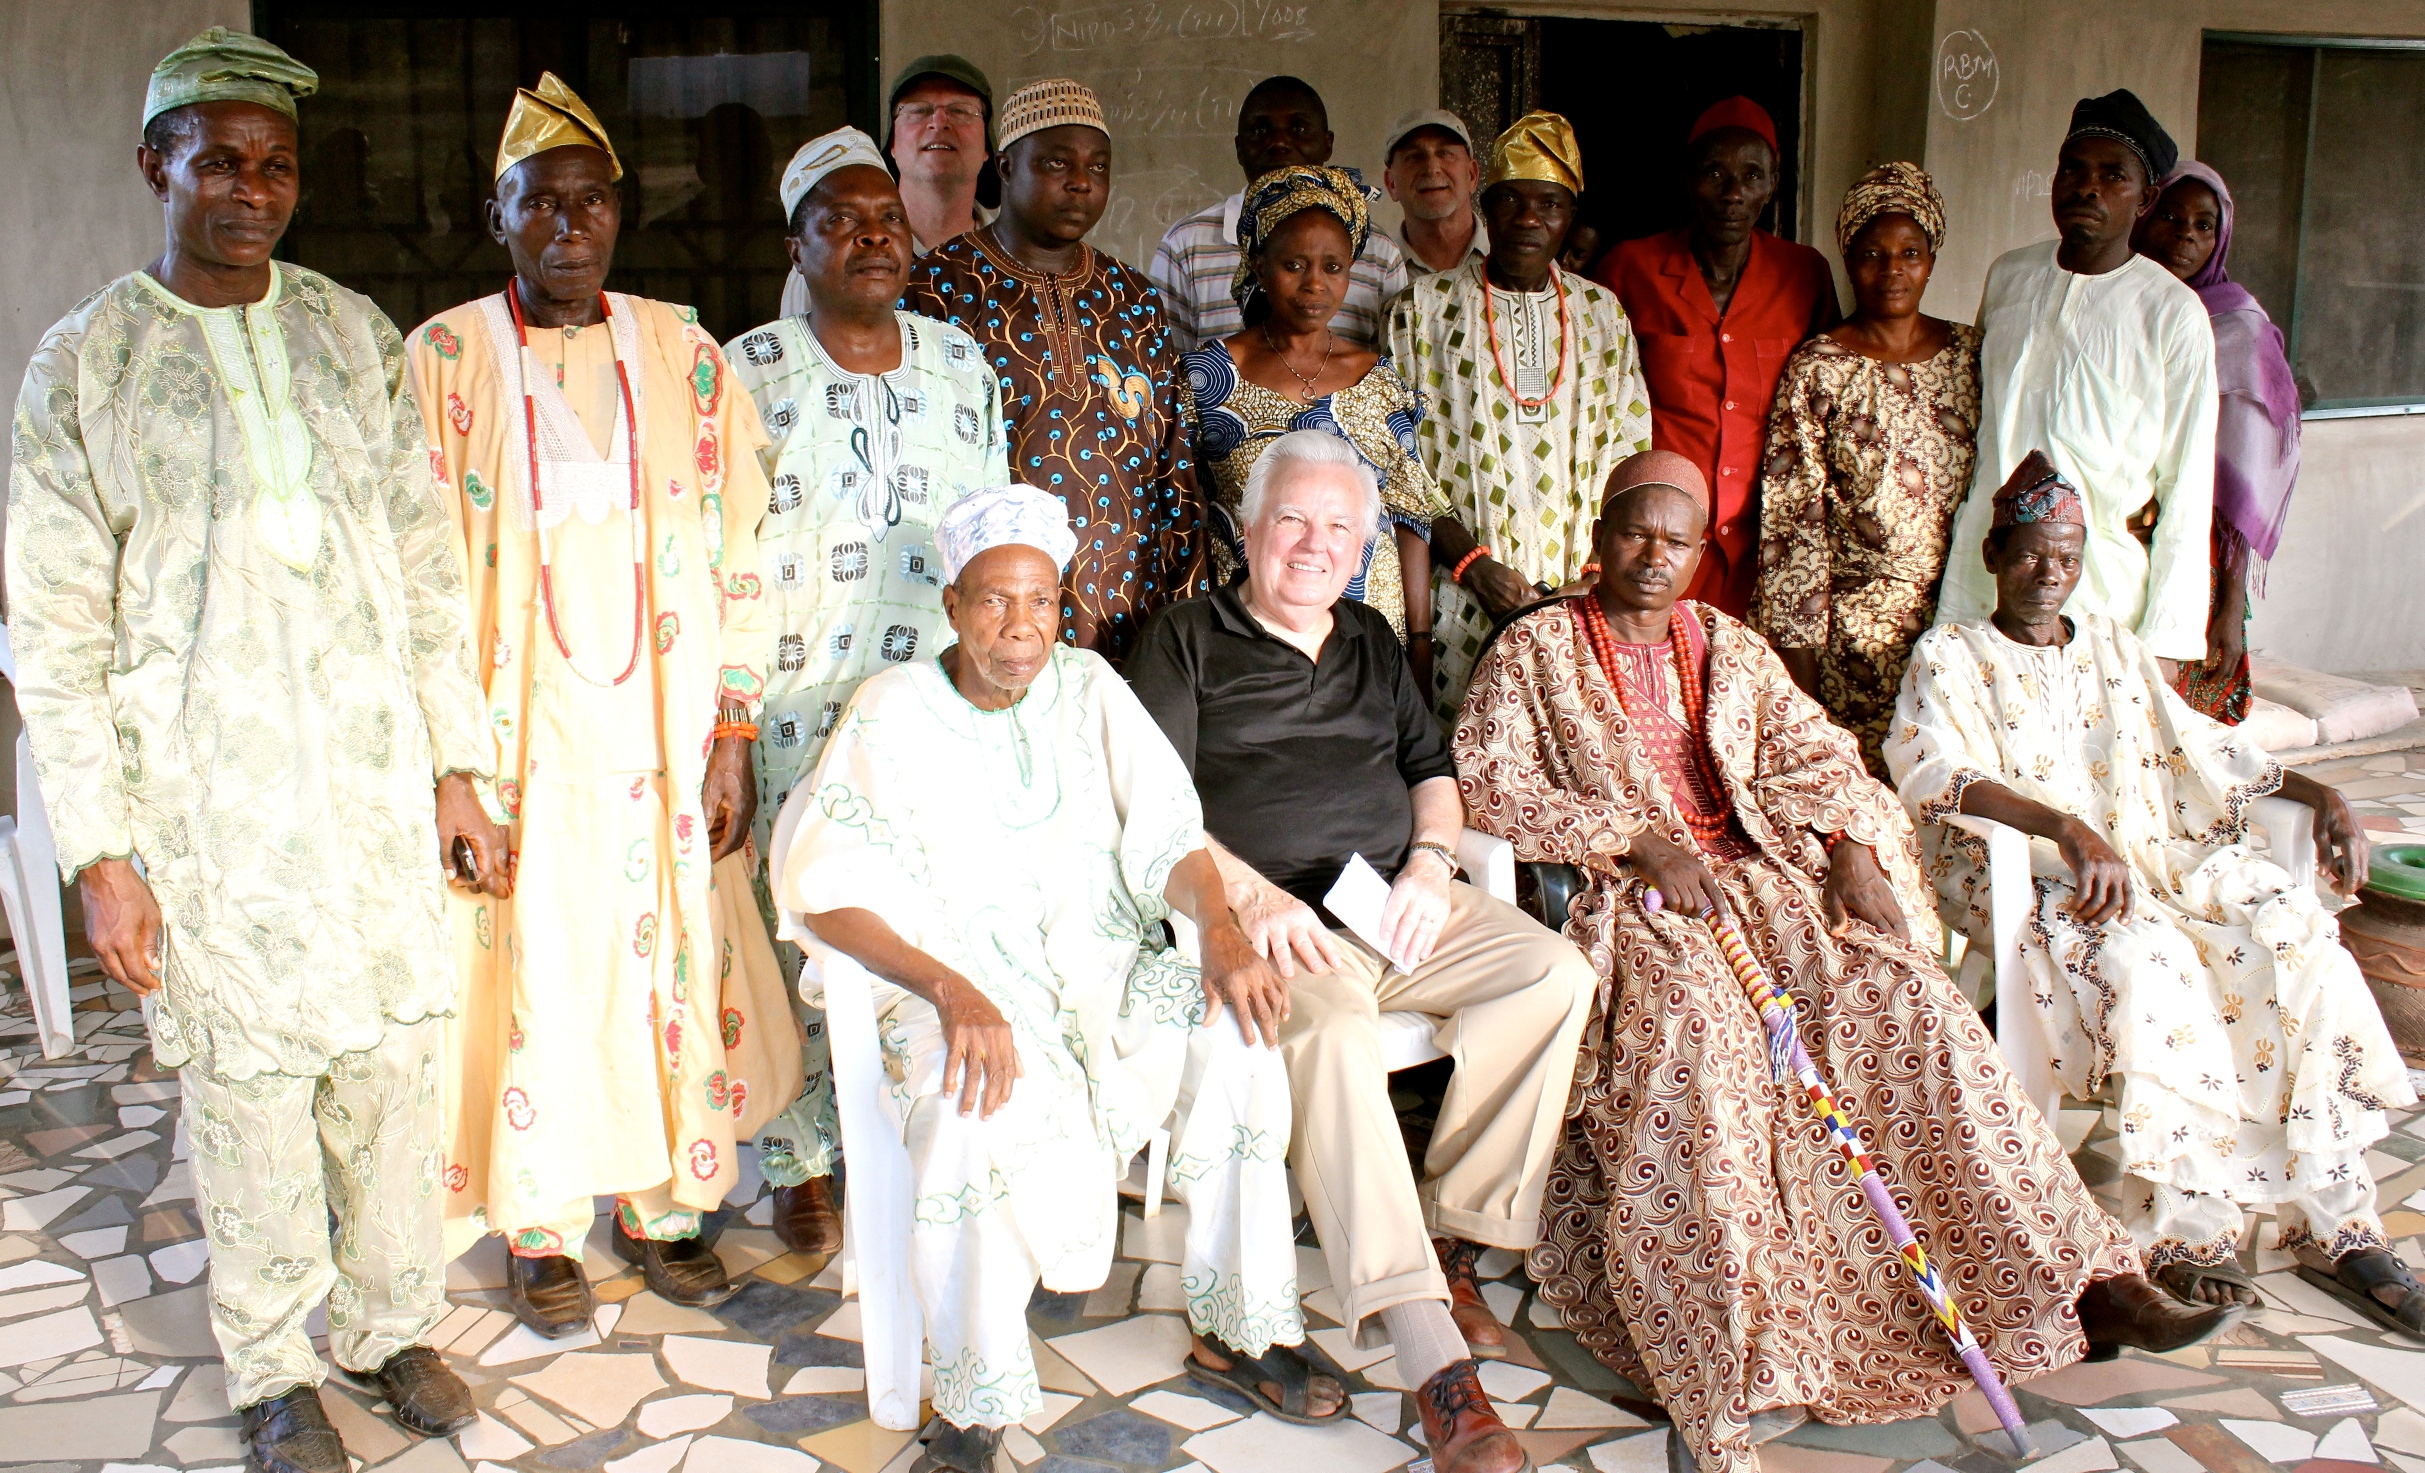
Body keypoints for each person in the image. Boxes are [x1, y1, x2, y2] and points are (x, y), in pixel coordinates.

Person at [1457, 450, 2240, 1473]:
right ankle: (1741, 1347)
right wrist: (1637, 840)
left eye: (1676, 541)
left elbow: (1821, 754)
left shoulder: (1725, 645)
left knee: (1909, 999)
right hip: (1643, 906)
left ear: (1703, 553)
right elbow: (1486, 781)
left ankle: (2088, 1282)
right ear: (1597, 539)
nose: (1653, 557)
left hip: (1770, 879)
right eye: (1633, 534)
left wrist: (1854, 850)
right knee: (1705, 1038)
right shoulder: (1535, 652)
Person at [7, 29, 497, 1472]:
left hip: (370, 785)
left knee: (396, 1072)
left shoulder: (347, 332)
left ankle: (390, 1324)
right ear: (155, 161)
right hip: (210, 803)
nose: (251, 190)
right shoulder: (85, 362)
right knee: (254, 1100)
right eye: (219, 160)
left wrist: (455, 763)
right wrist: (99, 850)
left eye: (275, 166)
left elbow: (421, 564)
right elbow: (55, 626)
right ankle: (277, 1366)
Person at [780, 485, 1345, 1473]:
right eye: (995, 602)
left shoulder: (1087, 687)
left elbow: (1169, 826)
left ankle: (1241, 1327)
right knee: (965, 1108)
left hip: (1105, 969)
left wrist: (1216, 927)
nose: (1022, 628)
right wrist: (951, 991)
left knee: (1241, 1040)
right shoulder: (893, 710)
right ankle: (974, 1401)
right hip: (951, 989)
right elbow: (822, 889)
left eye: (1041, 601)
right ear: (950, 606)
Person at [410, 73, 801, 1334]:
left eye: (592, 205)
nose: (569, 227)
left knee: (661, 962)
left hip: (663, 741)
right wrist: (449, 769)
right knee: (537, 968)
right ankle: (537, 1225)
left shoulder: (683, 351)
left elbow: (749, 541)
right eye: (542, 204)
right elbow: (409, 578)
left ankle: (663, 1207)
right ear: (497, 215)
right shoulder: (447, 360)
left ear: (620, 219)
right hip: (515, 745)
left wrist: (734, 726)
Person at [1128, 430, 1594, 1473]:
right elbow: (1149, 812)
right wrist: (1245, 898)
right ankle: (1433, 1362)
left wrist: (1432, 865)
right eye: (1290, 518)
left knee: (1553, 974)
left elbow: (1432, 771)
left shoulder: (1373, 636)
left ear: (1364, 545)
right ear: (1243, 532)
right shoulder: (1183, 639)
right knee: (1334, 1033)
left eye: (1339, 527)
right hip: (1266, 921)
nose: (1313, 544)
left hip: (1390, 905)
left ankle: (1456, 1234)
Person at [1888, 453, 2420, 1326]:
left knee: (2291, 935)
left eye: (2064, 557)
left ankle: (2335, 1220)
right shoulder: (1952, 654)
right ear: (1991, 552)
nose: (2046, 574)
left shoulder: (2107, 644)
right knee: (2155, 960)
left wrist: (2316, 790)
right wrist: (2059, 824)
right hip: (2040, 883)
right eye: (2027, 554)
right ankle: (2187, 1228)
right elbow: (1932, 767)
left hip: (2157, 862)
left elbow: (2197, 742)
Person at [723, 128, 1013, 1264]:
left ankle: (903, 1118)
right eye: (838, 221)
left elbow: (988, 538)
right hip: (792, 706)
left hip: (924, 704)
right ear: (797, 244)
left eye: (885, 217)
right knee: (792, 913)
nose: (870, 238)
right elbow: (721, 550)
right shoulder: (745, 370)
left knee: (917, 910)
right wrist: (730, 721)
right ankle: (799, 1157)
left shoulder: (957, 363)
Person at [901, 78, 1206, 663]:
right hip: (997, 609)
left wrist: (1185, 603)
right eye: (1057, 163)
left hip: (1128, 608)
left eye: (1099, 165)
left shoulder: (1134, 296)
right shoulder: (937, 290)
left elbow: (1174, 459)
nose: (1081, 182)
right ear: (1008, 168)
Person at [1935, 90, 2217, 679]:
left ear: (2146, 198)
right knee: (1974, 747)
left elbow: (2188, 485)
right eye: (2074, 169)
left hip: (2097, 590)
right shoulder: (2011, 276)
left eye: (2113, 175)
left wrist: (2166, 638)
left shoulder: (2171, 312)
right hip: (1980, 572)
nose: (2087, 187)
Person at [1387, 111, 1654, 723]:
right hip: (1459, 594)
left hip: (1582, 594)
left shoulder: (1602, 315)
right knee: (1466, 764)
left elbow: (1631, 455)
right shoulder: (1418, 312)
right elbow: (1396, 460)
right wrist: (1473, 567)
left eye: (1550, 205)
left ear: (1571, 218)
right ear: (1485, 207)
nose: (1529, 220)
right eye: (1510, 201)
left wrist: (1593, 572)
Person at [1181, 163, 1453, 686]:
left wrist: (1418, 644)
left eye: (1333, 267)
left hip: (1370, 637)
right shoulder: (1205, 376)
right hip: (1246, 636)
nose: (1315, 285)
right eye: (1293, 265)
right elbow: (1185, 512)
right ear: (1258, 267)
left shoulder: (1375, 378)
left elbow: (1410, 519)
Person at [1752, 163, 1979, 777]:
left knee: (1954, 790)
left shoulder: (1972, 354)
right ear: (1848, 260)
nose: (1892, 270)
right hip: (1855, 644)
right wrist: (1799, 669)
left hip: (1962, 621)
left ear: (1932, 258)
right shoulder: (1820, 367)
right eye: (1872, 253)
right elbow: (1794, 523)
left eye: (1910, 252)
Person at [1600, 96, 1838, 621]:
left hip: (1769, 543)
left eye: (1752, 176)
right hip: (1663, 543)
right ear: (1686, 178)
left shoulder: (1804, 275)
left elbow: (1830, 398)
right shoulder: (1630, 268)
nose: (1733, 194)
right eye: (1714, 173)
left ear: (1773, 183)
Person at [2133, 161, 2303, 724]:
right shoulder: (2117, 307)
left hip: (2196, 555)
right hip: (2113, 539)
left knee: (2188, 721)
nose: (2186, 234)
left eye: (2204, 225)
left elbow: (2238, 494)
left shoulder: (2238, 330)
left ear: (2221, 237)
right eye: (2171, 217)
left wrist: (2229, 609)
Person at [1151, 76, 1410, 353]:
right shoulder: (1185, 244)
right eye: (1261, 131)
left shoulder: (1379, 251)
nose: (1279, 142)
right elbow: (1167, 369)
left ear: (1327, 144)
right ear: (1239, 148)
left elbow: (1394, 365)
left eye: (1298, 128)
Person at [776, 54, 994, 316]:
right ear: (892, 144)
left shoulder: (1014, 254)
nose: (939, 122)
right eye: (918, 110)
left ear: (987, 148)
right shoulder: (828, 260)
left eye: (961, 110)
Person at [1380, 108, 1487, 280]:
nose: (1432, 169)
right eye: (1414, 156)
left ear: (1472, 175)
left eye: (1445, 153)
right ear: (1391, 183)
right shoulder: (1373, 274)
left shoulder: (1515, 261)